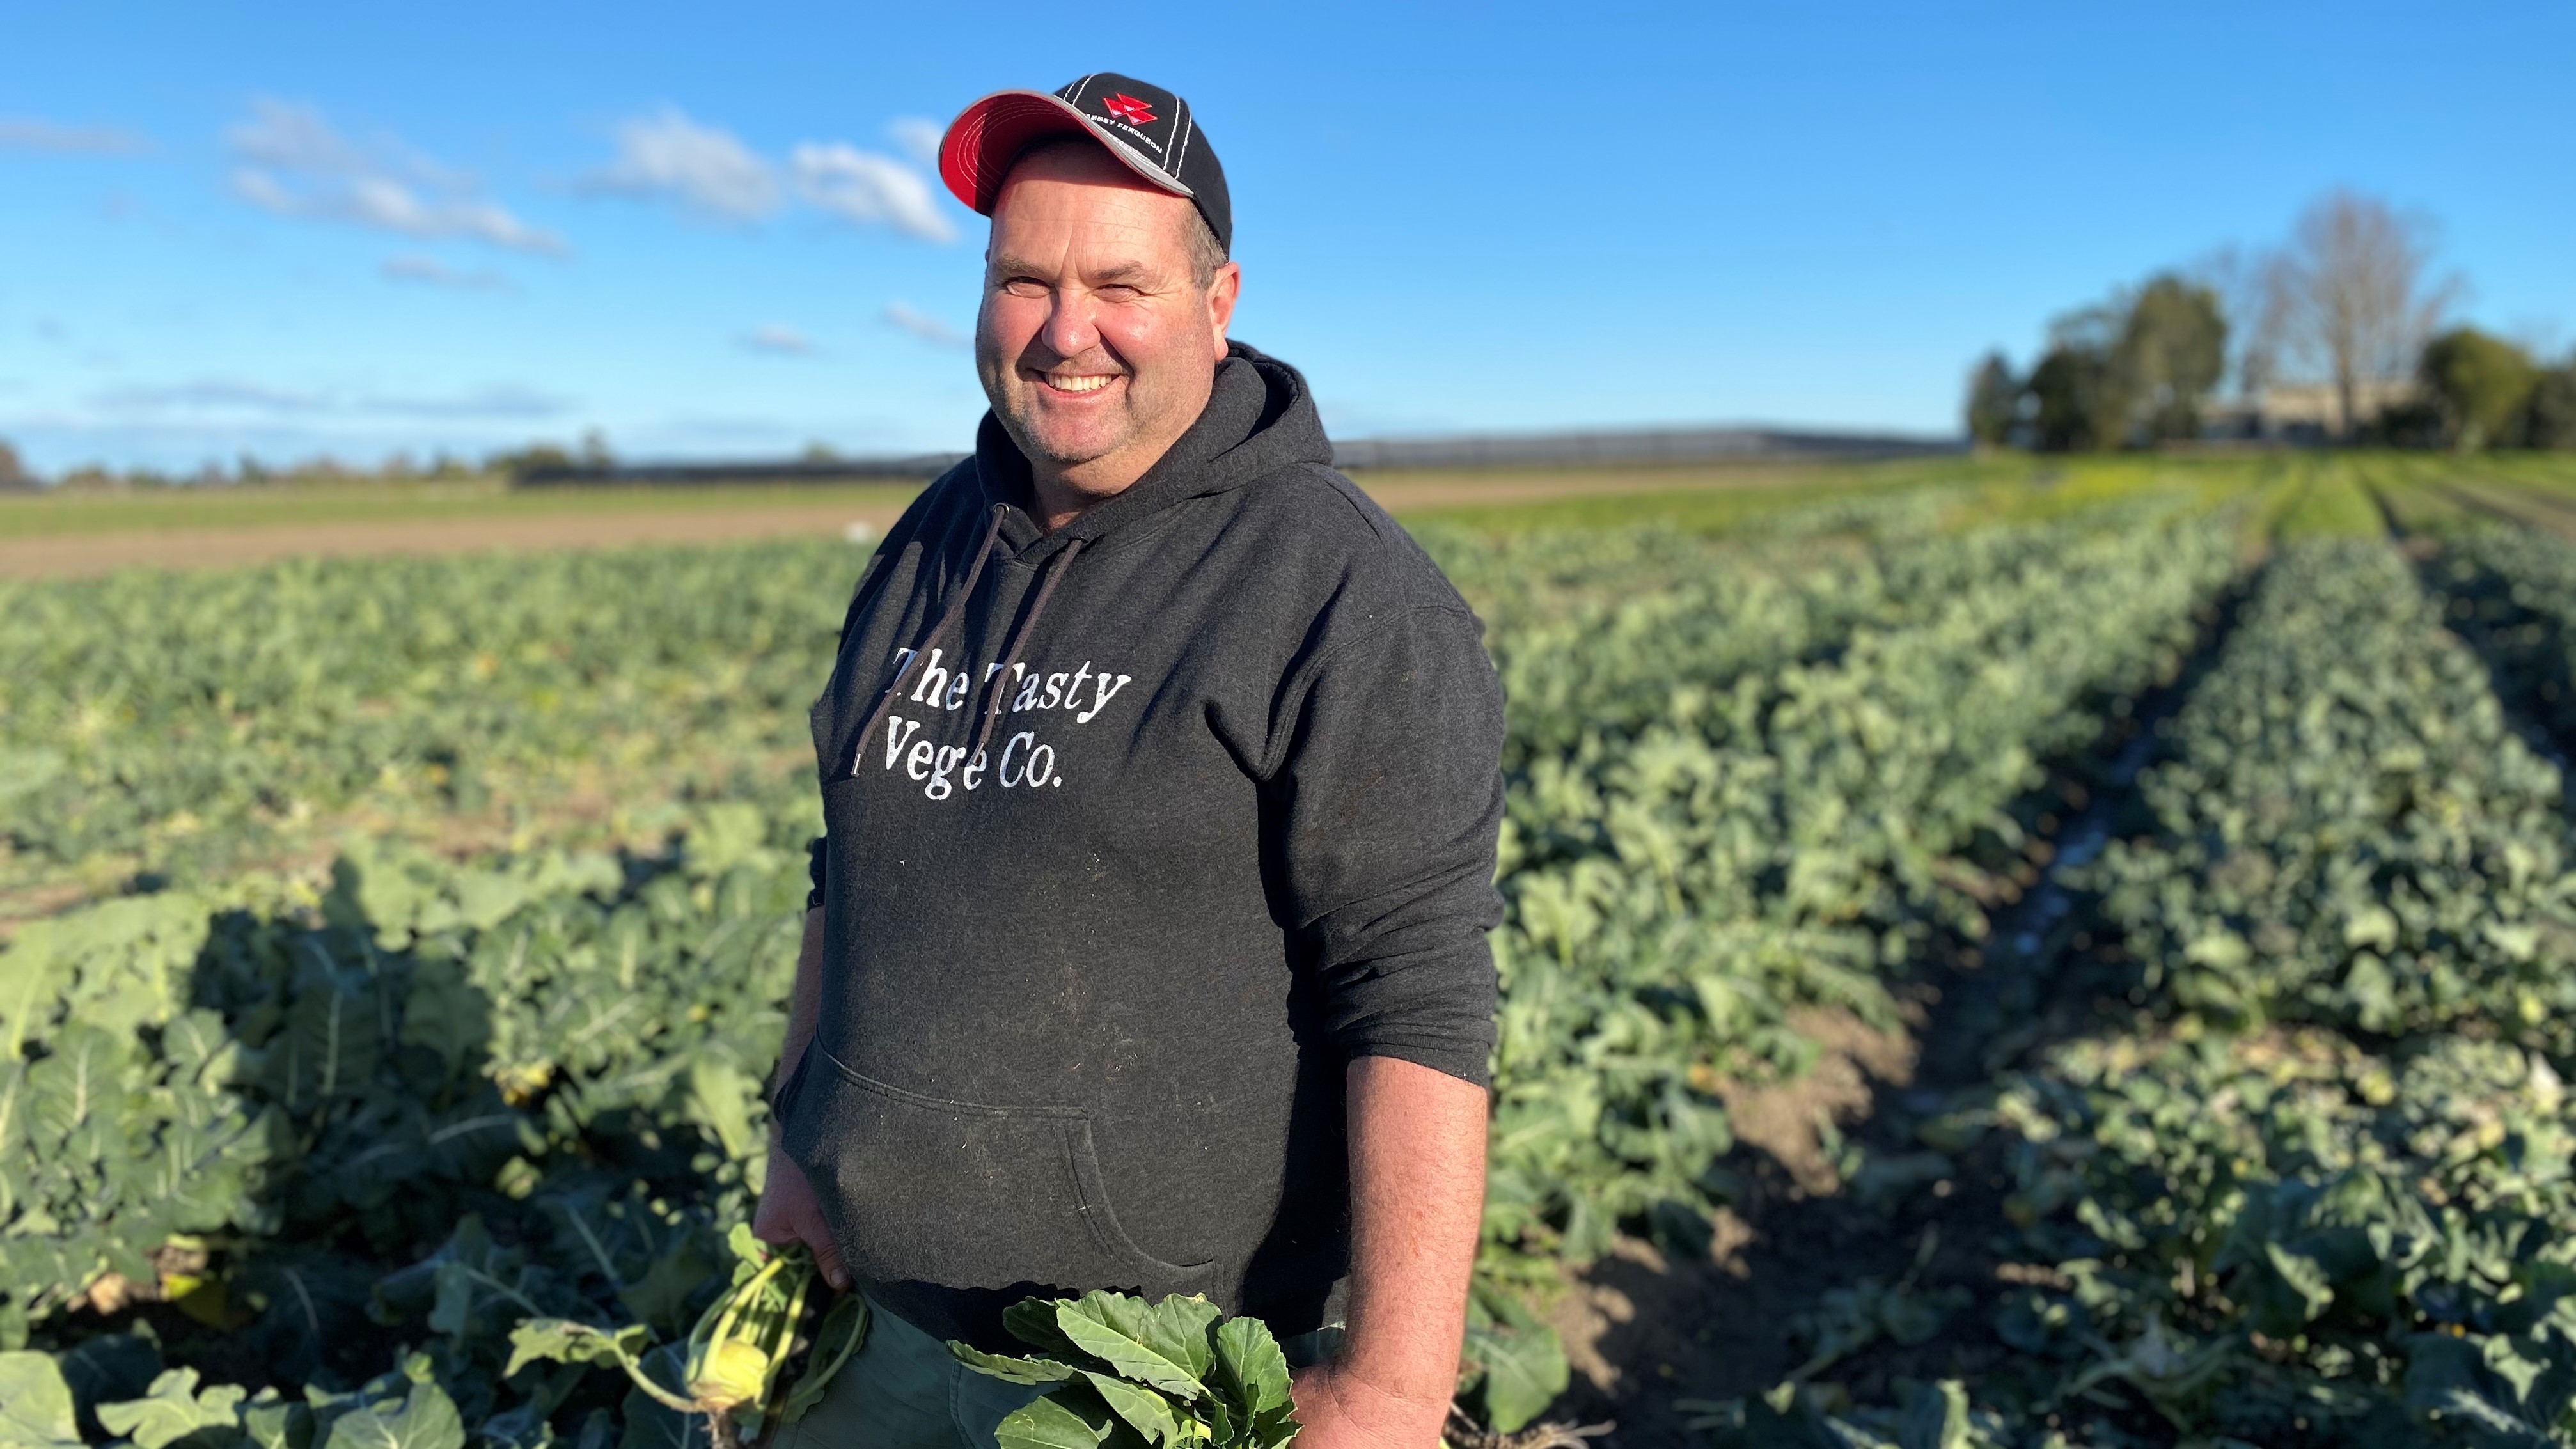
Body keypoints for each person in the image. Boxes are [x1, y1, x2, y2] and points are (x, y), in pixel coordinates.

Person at [756, 73, 1505, 1449]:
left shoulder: (1340, 589)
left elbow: (1417, 991)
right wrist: (794, 1143)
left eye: (1121, 284)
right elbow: (842, 870)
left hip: (1153, 1379)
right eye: (1023, 280)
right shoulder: (928, 541)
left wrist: (1393, 1388)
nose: (1065, 331)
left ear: (1218, 304)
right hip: (880, 1321)